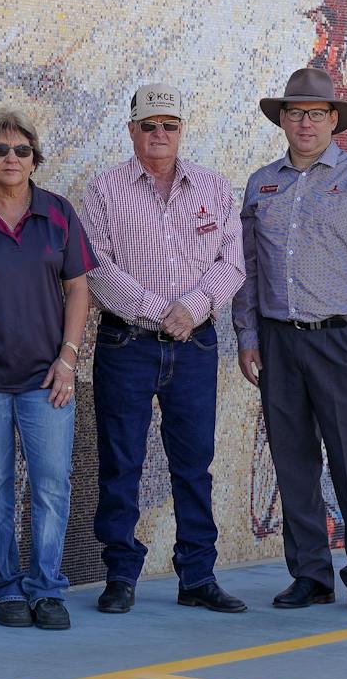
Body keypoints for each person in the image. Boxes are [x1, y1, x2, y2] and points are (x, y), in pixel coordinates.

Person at [235, 68, 347, 616]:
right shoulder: (262, 183)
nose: (304, 123)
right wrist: (247, 336)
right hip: (279, 341)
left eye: (315, 114)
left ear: (334, 120)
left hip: (342, 341)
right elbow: (248, 268)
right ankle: (310, 573)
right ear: (282, 120)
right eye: (294, 113)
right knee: (293, 462)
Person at [82, 86, 246, 617]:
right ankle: (121, 575)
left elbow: (233, 262)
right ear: (131, 130)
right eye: (149, 124)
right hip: (126, 342)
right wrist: (157, 309)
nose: (159, 134)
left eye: (169, 125)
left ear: (180, 131)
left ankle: (197, 575)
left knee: (194, 463)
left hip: (194, 343)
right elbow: (95, 265)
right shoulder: (105, 190)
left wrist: (194, 307)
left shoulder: (214, 188)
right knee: (121, 460)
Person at [0, 108, 93, 630]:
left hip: (46, 377)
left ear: (35, 159)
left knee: (52, 486)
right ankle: (8, 589)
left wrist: (69, 358)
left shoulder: (57, 214)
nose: (11, 158)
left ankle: (46, 589)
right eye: (0, 149)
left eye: (22, 150)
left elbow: (78, 288)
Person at [304, 0, 347, 154]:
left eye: (327, 33)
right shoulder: (306, 85)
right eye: (319, 33)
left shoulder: (342, 100)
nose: (319, 44)